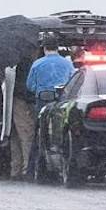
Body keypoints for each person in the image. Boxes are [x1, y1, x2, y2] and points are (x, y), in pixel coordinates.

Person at [26, 36, 75, 175]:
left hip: (43, 101)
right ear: (57, 47)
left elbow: (30, 85)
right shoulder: (67, 64)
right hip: (62, 102)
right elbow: (73, 82)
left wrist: (39, 88)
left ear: (44, 48)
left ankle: (35, 169)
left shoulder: (37, 64)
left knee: (39, 134)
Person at [10, 55, 36, 180]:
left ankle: (16, 168)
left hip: (17, 99)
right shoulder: (28, 63)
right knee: (26, 133)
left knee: (16, 134)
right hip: (24, 100)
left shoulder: (16, 62)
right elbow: (28, 86)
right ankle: (27, 168)